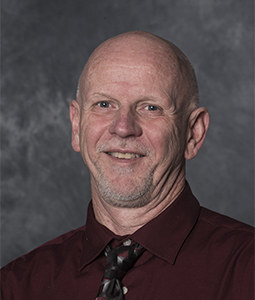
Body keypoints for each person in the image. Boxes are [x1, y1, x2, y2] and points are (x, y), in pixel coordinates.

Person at [1, 31, 254, 299]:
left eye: (150, 108)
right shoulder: (16, 286)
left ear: (193, 133)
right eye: (104, 104)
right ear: (76, 126)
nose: (123, 128)